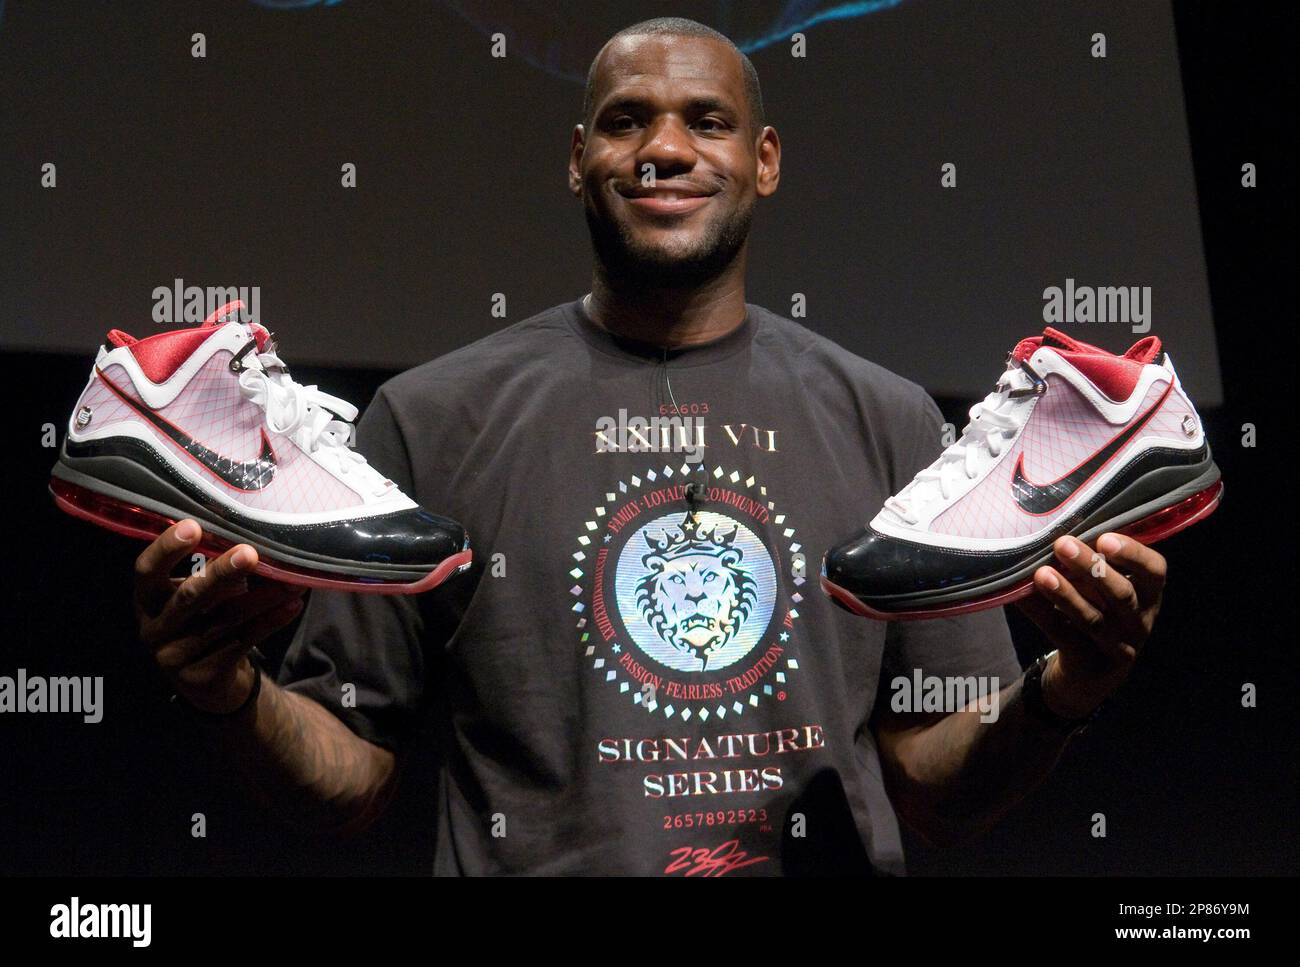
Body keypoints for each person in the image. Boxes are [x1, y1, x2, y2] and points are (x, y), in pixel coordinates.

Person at [131, 18, 1169, 875]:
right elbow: (347, 778)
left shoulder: (890, 420)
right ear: (579, 161)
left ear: (762, 162)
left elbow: (935, 789)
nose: (664, 148)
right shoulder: (427, 419)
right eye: (625, 121)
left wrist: (1067, 687)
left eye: (706, 121)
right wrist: (227, 690)